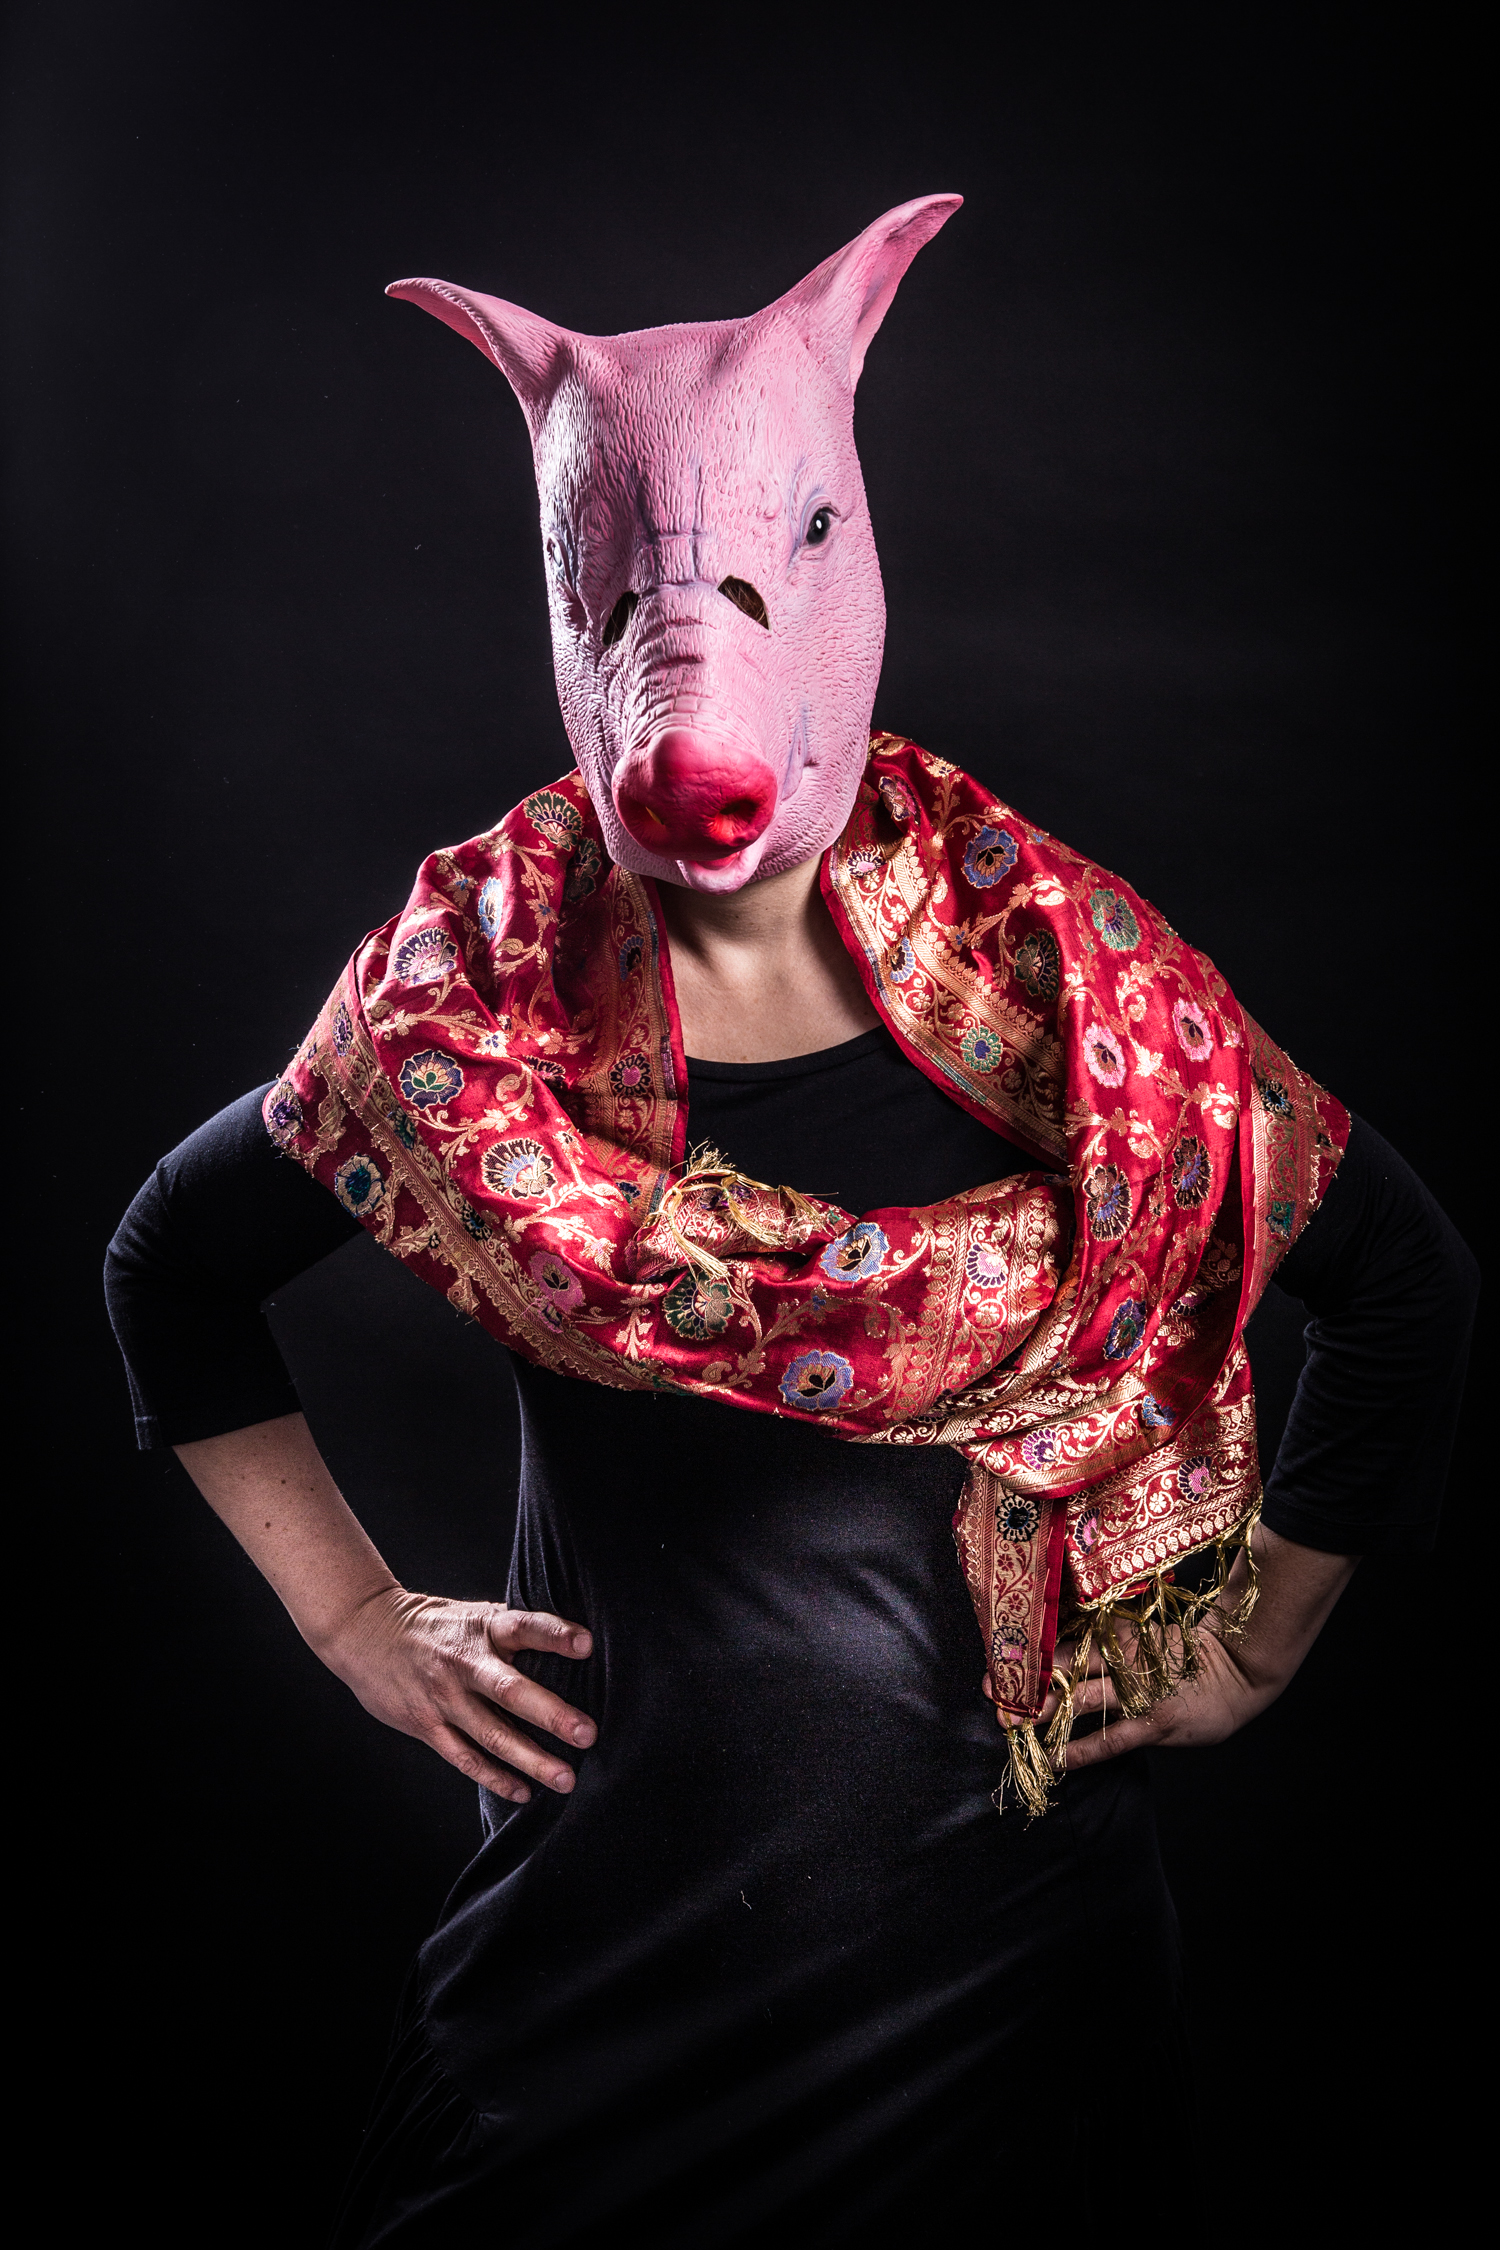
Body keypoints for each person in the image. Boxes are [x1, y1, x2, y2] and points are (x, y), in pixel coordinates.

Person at [105, 201, 1477, 2244]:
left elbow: (1402, 1283)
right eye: (618, 590)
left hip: (1013, 1989)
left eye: (774, 555)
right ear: (569, 602)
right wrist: (357, 1622)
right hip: (600, 1993)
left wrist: (1260, 1645)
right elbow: (173, 1265)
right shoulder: (467, 1011)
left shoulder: (1062, 993)